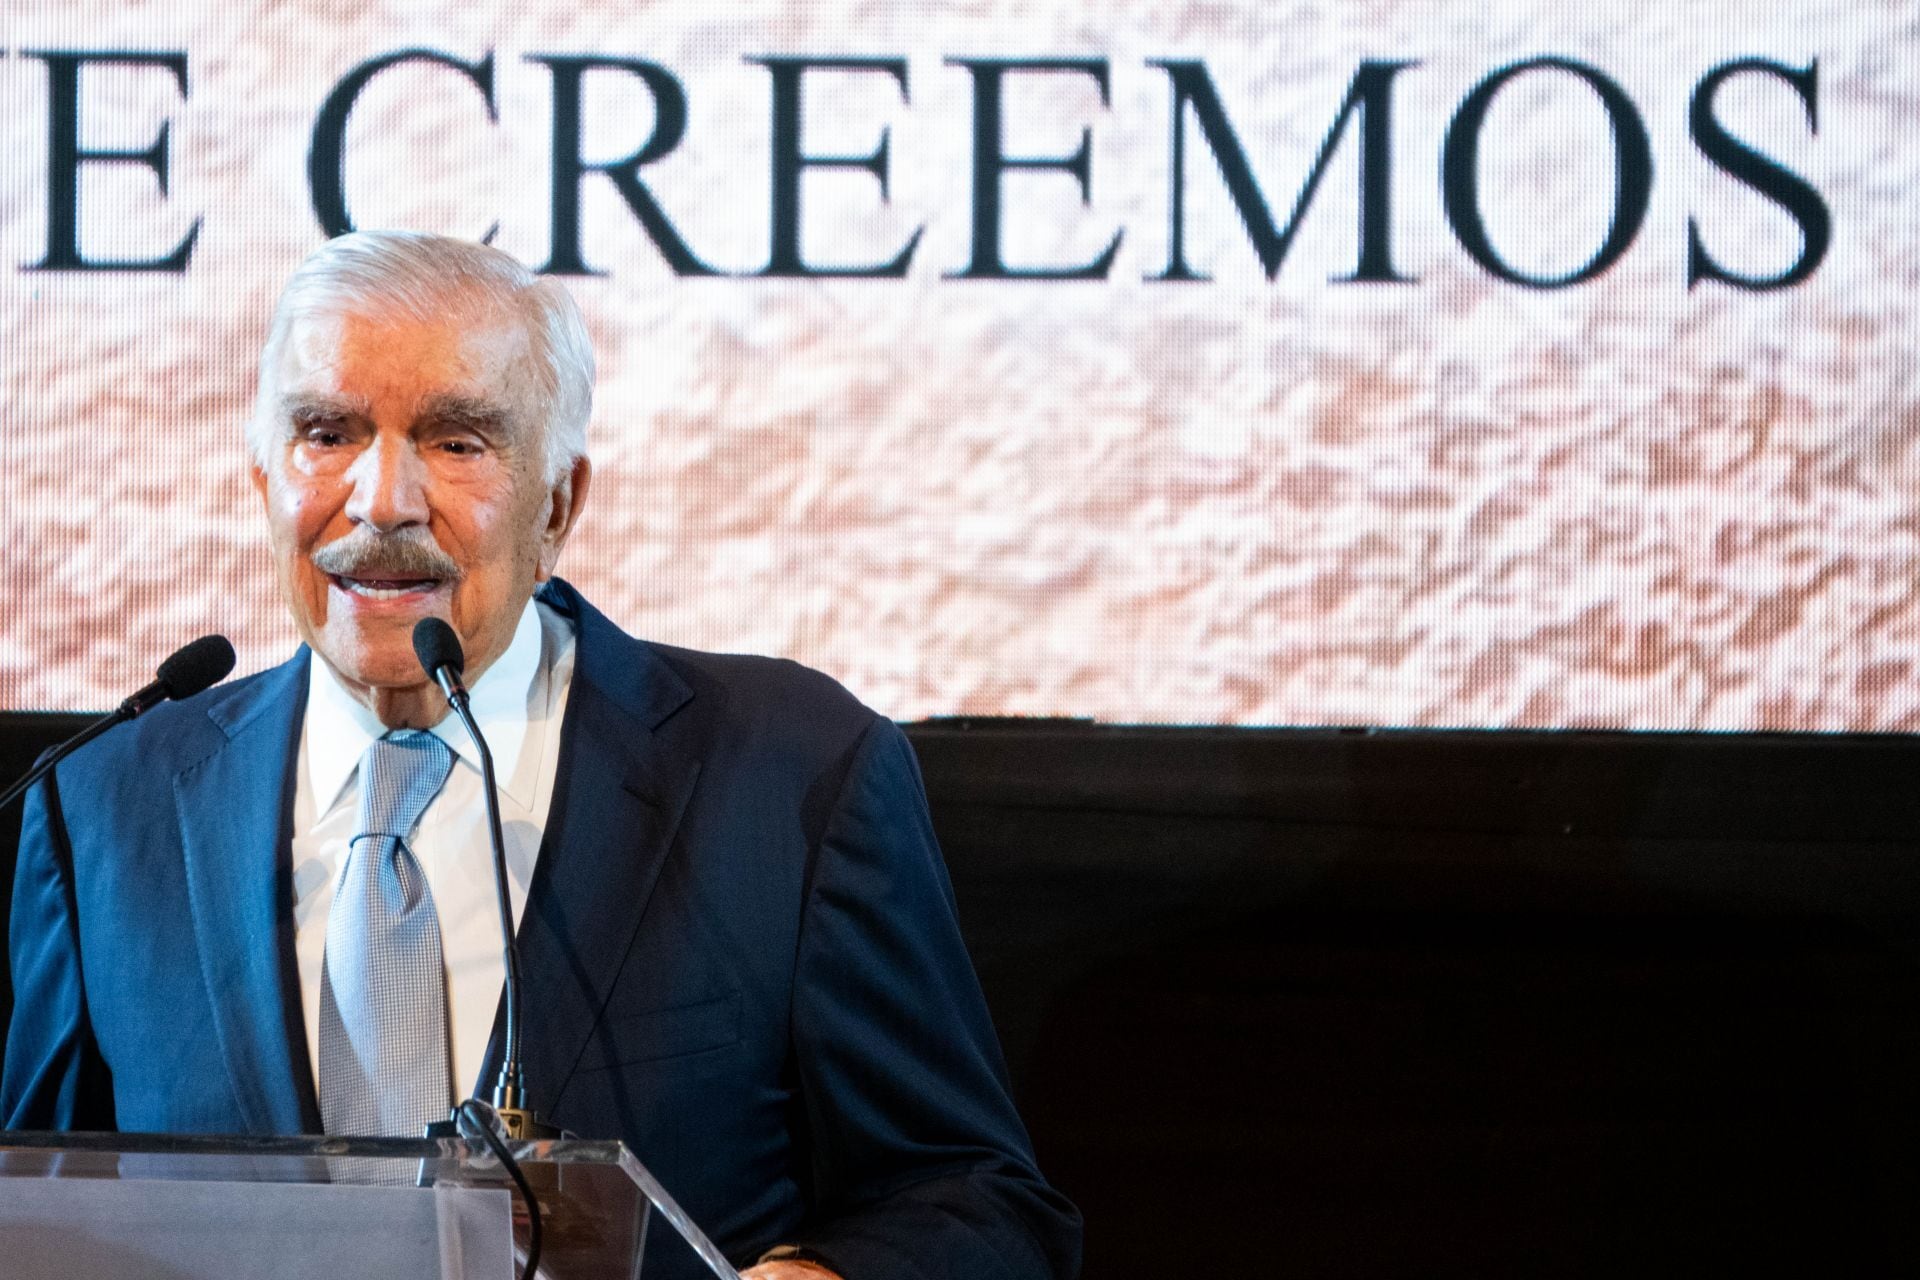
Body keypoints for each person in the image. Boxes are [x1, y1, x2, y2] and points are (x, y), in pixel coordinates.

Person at [2, 231, 1082, 1280]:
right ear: (265, 481)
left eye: (458, 440)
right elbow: (36, 1210)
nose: (381, 503)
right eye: (326, 432)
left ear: (559, 501)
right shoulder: (106, 806)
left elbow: (981, 1204)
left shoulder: (789, 773)